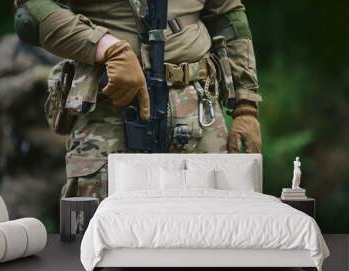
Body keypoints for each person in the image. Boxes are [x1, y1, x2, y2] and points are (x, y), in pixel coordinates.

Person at [14, 0, 262, 199]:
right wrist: (105, 46)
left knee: (211, 230)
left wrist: (246, 106)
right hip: (111, 103)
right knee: (103, 238)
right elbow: (32, 10)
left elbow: (227, 14)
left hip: (198, 108)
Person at [0, 34, 64, 226]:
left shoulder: (71, 43)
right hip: (29, 169)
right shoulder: (8, 50)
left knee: (82, 240)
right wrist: (32, 78)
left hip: (72, 164)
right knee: (10, 233)